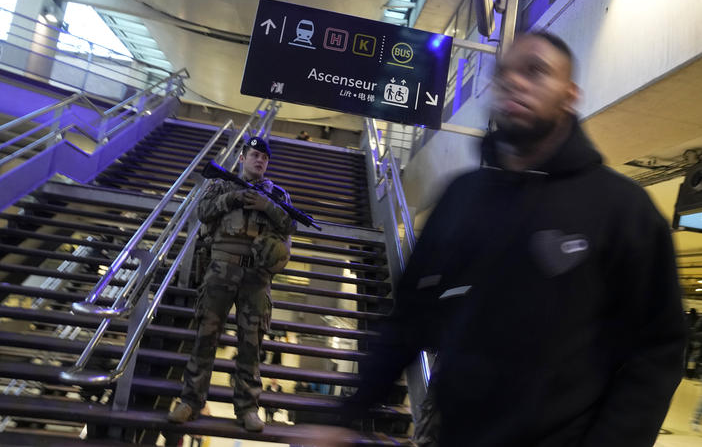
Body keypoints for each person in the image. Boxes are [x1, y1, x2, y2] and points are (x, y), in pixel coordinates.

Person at [315, 31, 686, 446]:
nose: (514, 81)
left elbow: (658, 349)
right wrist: (348, 416)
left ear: (570, 94)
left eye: (536, 71)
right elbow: (408, 321)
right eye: (504, 72)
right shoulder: (462, 197)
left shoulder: (622, 210)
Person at [168, 137, 296, 432]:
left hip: (257, 277)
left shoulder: (277, 193)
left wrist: (267, 206)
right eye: (254, 155)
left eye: (264, 157)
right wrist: (234, 198)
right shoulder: (221, 184)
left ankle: (248, 408)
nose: (260, 160)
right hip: (220, 269)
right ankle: (190, 401)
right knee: (205, 338)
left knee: (251, 345)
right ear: (242, 158)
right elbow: (203, 212)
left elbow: (291, 225)